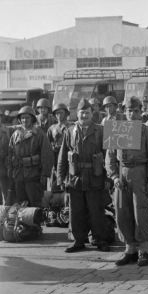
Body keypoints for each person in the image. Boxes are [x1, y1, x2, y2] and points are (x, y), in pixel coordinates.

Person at [105, 96, 148, 267]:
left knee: (140, 211)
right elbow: (110, 157)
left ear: (141, 112)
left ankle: (143, 249)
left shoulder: (146, 131)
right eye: (129, 111)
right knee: (122, 211)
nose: (133, 114)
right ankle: (130, 249)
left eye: (136, 111)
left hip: (140, 172)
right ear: (124, 112)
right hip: (122, 173)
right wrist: (114, 177)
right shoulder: (118, 129)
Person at [58, 98, 112, 253]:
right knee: (76, 212)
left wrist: (108, 178)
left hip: (95, 177)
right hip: (75, 179)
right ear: (77, 114)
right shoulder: (69, 131)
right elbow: (62, 158)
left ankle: (99, 239)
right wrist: (61, 178)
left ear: (91, 114)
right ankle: (78, 240)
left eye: (87, 113)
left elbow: (109, 156)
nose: (84, 116)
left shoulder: (101, 131)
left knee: (96, 211)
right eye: (82, 113)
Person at [8, 106, 53, 207]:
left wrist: (44, 174)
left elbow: (47, 155)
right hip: (18, 175)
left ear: (32, 119)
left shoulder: (39, 134)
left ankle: (36, 222)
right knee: (20, 204)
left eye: (27, 117)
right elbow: (10, 154)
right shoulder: (15, 134)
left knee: (35, 203)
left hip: (34, 176)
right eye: (22, 118)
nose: (24, 120)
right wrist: (10, 172)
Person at [47, 102, 72, 194]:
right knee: (55, 179)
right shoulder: (52, 128)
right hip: (55, 156)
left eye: (61, 113)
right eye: (57, 113)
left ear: (66, 113)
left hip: (67, 155)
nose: (59, 115)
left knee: (68, 177)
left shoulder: (71, 127)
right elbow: (47, 144)